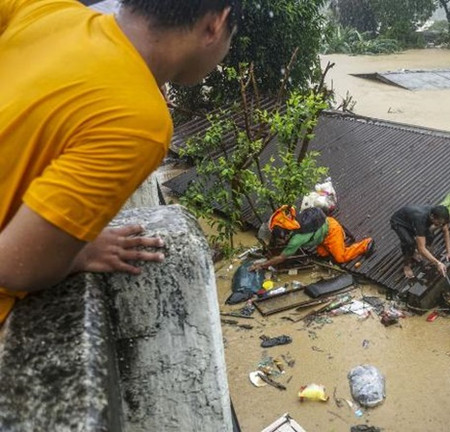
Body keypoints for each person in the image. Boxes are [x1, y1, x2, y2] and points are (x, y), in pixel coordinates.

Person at [0, 0, 240, 325]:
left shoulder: (50, 10)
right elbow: (15, 265)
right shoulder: (139, 122)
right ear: (215, 24)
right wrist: (78, 253)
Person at [249, 207, 374, 271]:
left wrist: (262, 265)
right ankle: (333, 244)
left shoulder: (296, 240)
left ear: (284, 235)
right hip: (322, 234)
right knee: (322, 254)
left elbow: (282, 258)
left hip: (331, 231)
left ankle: (365, 244)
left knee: (341, 258)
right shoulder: (291, 223)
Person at [390, 205, 450, 279]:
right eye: (439, 222)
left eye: (442, 223)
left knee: (430, 236)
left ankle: (416, 252)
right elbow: (421, 248)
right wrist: (438, 263)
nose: (441, 225)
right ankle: (406, 266)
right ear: (432, 217)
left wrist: (449, 251)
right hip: (399, 222)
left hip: (412, 221)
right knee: (409, 243)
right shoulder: (421, 220)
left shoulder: (439, 216)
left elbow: (445, 231)